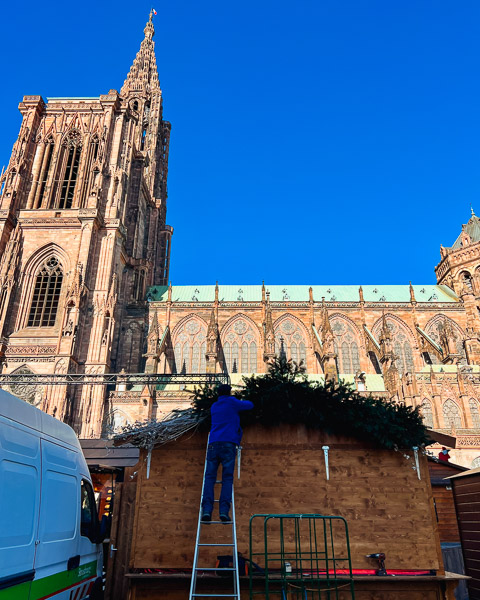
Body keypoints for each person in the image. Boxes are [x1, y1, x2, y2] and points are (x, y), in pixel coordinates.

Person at [201, 384, 254, 523]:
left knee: (209, 478)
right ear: (229, 393)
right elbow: (250, 405)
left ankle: (207, 509)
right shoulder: (232, 402)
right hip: (228, 444)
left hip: (213, 444)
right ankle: (224, 511)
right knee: (227, 479)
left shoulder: (214, 406)